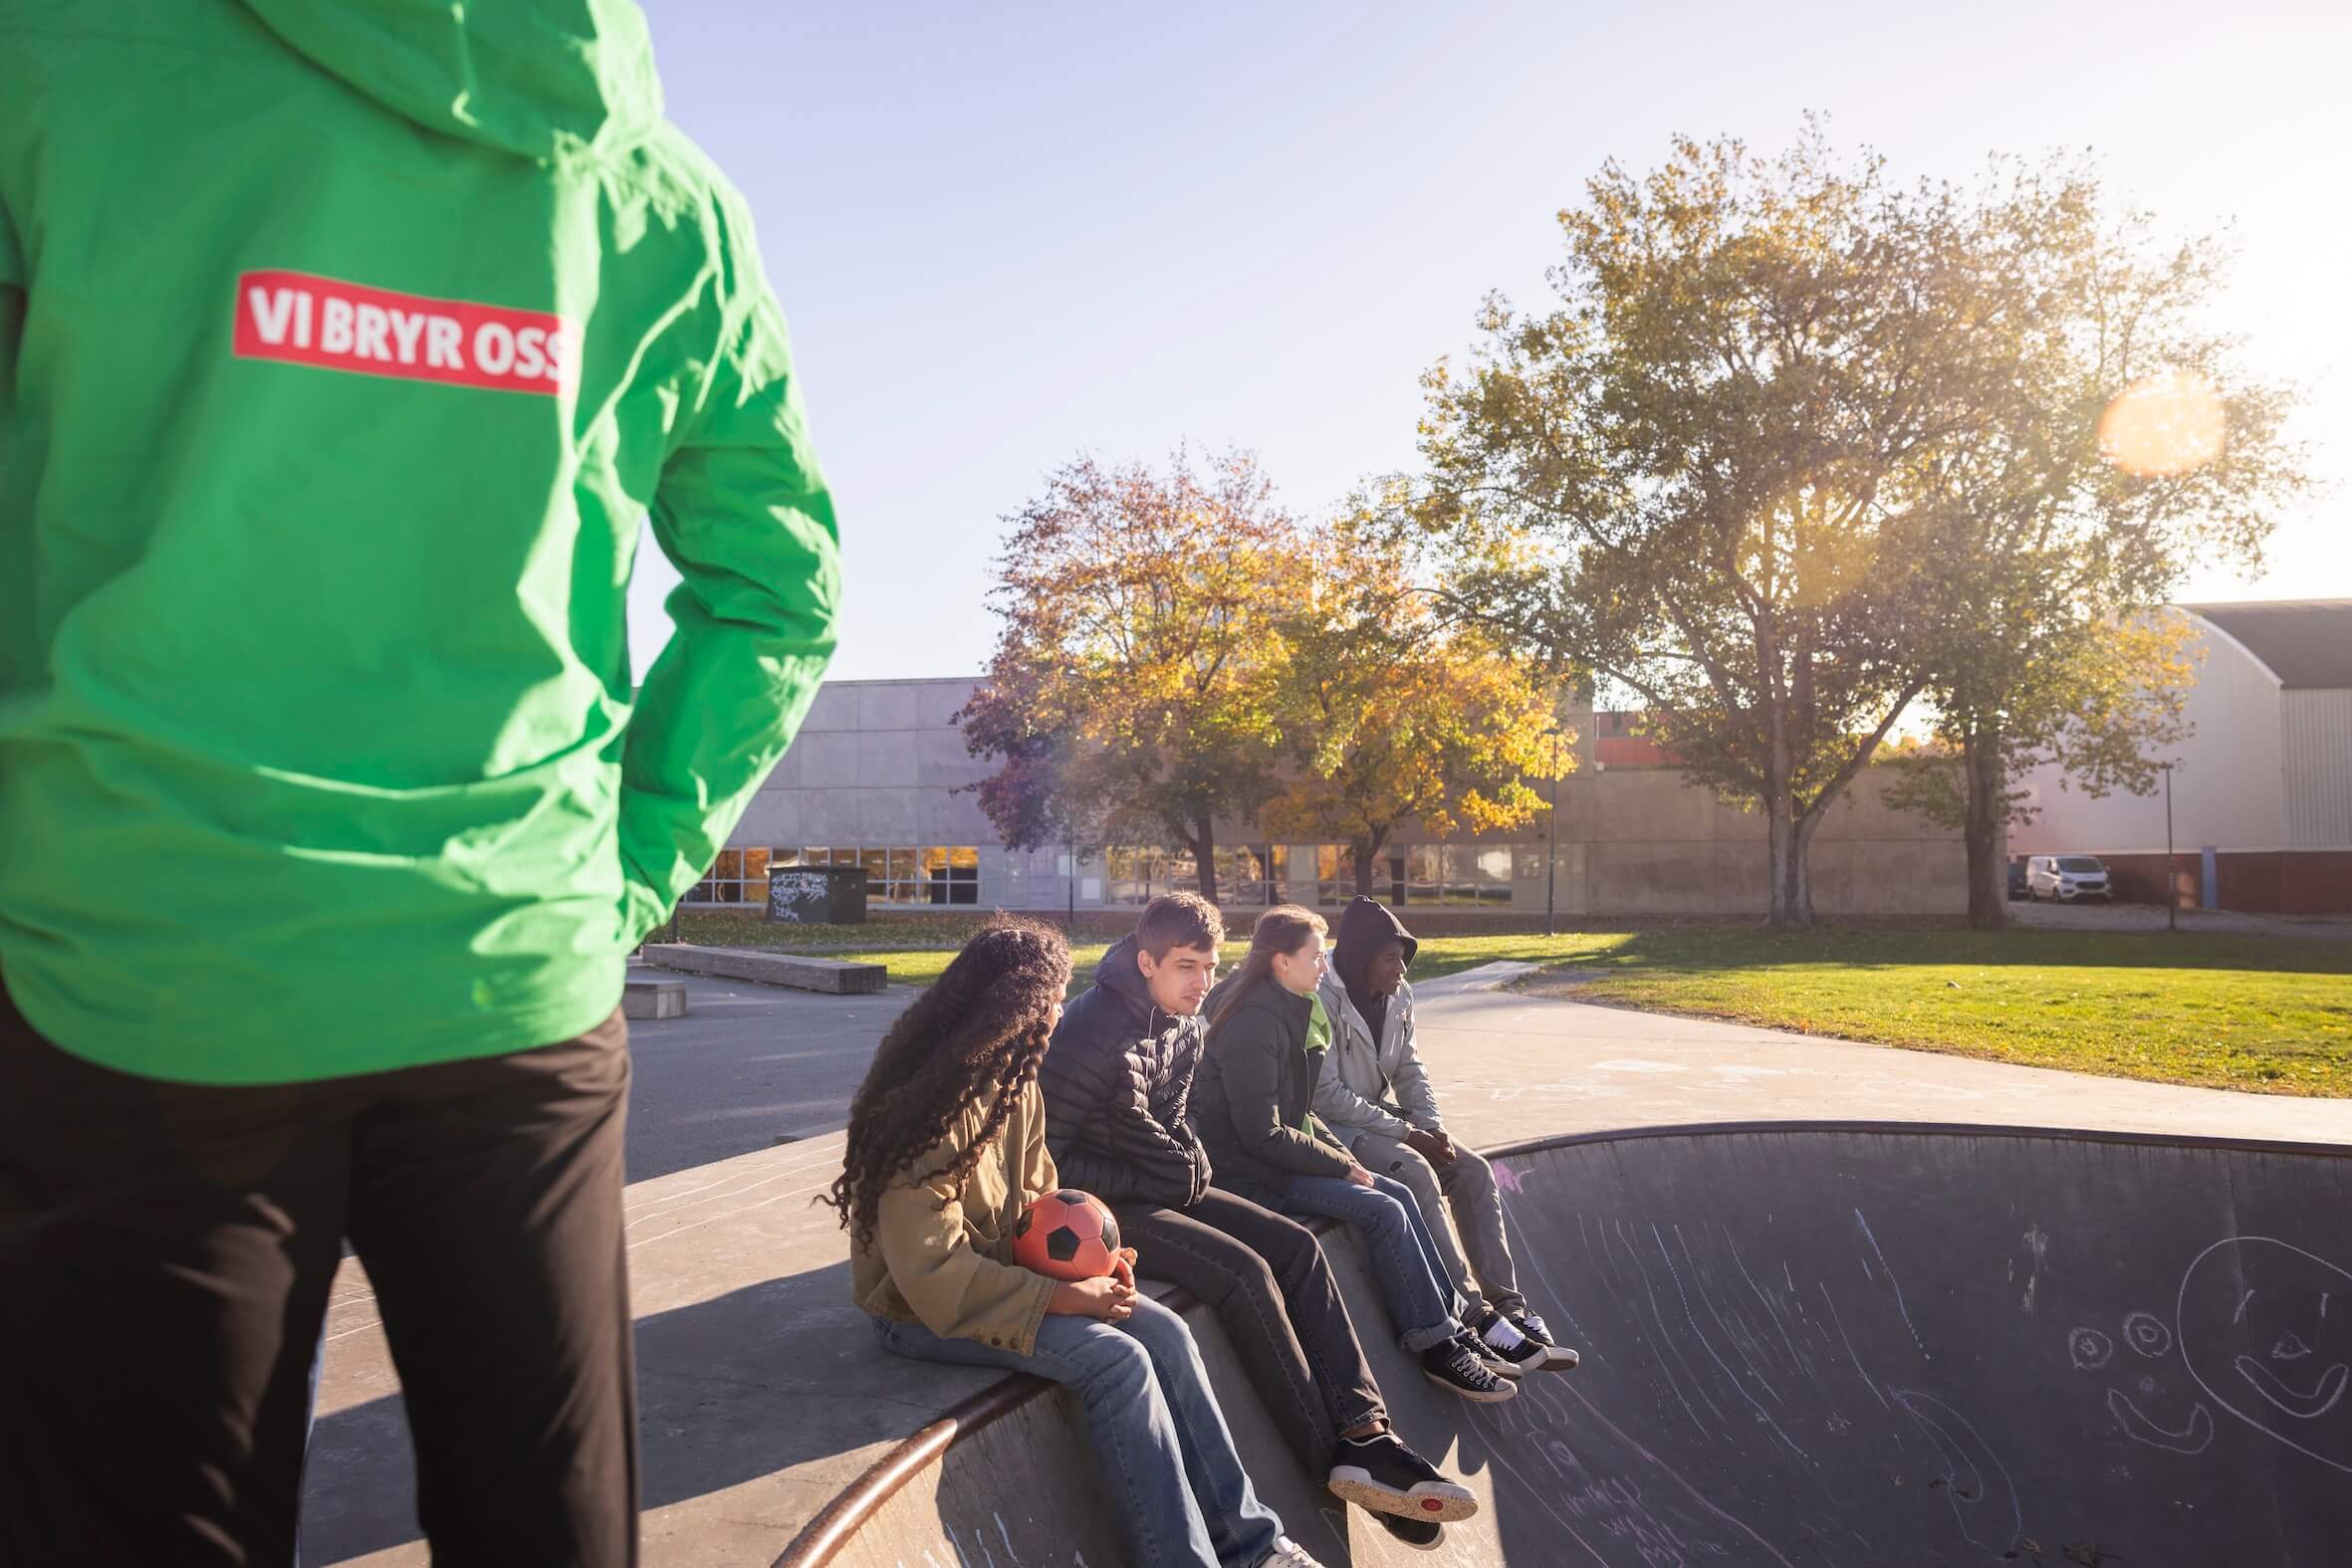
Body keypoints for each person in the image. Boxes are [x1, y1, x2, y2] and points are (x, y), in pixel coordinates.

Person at [0, 4, 840, 1562]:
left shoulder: (57, 59)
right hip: (509, 972)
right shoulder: (668, 201)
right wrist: (623, 869)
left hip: (144, 958)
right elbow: (780, 593)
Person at [830, 921, 1326, 1568]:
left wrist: (1099, 1263)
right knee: (1118, 1362)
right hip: (918, 1308)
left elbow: (1042, 1203)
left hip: (1001, 1277)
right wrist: (1063, 1295)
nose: (1061, 1011)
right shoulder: (928, 1110)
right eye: (1052, 998)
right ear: (1011, 1006)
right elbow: (932, 1273)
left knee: (1167, 1333)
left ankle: (1253, 1545)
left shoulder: (1016, 1083)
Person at [1042, 894, 1477, 1550]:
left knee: (1298, 1247)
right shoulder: (1092, 1031)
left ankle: (1366, 1434)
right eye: (1185, 966)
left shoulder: (1184, 1024)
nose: (1201, 982)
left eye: (1210, 967)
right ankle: (1328, 1459)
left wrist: (1183, 1161)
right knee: (1243, 1272)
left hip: (1163, 1181)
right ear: (1146, 962)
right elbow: (1052, 1155)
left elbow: (1174, 1119)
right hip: (1104, 1208)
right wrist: (1152, 1177)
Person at [1191, 908, 1518, 1407]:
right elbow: (1262, 1135)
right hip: (1249, 1172)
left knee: (1399, 1193)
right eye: (1315, 956)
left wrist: (1343, 1155)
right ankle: (1436, 1347)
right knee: (1382, 1210)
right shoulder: (1254, 1023)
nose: (1325, 967)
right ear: (1281, 962)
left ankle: (1453, 1325)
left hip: (1281, 1154)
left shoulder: (1294, 1007)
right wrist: (1339, 1165)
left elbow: (1300, 1109)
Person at [1314, 898, 1578, 1374]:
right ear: (1359, 960)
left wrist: (1431, 1125)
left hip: (1380, 1116)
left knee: (1471, 1170)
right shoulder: (1322, 998)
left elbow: (1411, 1068)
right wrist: (1408, 1134)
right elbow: (1326, 1094)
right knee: (1416, 1171)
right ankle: (1471, 1313)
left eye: (1403, 958)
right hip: (1339, 1129)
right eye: (1390, 959)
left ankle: (1509, 1306)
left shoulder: (1400, 994)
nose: (1401, 969)